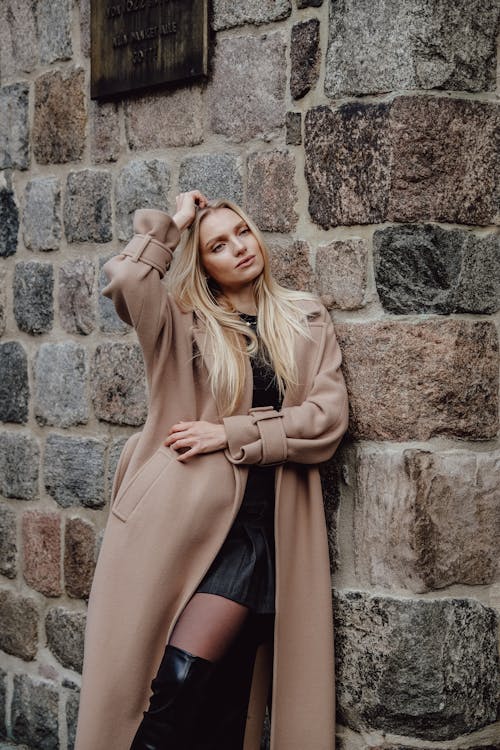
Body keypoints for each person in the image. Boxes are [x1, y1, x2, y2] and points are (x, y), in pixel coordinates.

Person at [74, 190, 349, 750]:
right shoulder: (181, 322)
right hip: (179, 523)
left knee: (218, 701)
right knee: (175, 688)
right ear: (202, 266)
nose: (238, 249)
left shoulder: (304, 318)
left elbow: (325, 420)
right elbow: (127, 280)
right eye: (217, 246)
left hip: (264, 526)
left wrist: (229, 432)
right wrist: (176, 222)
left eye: (241, 233)